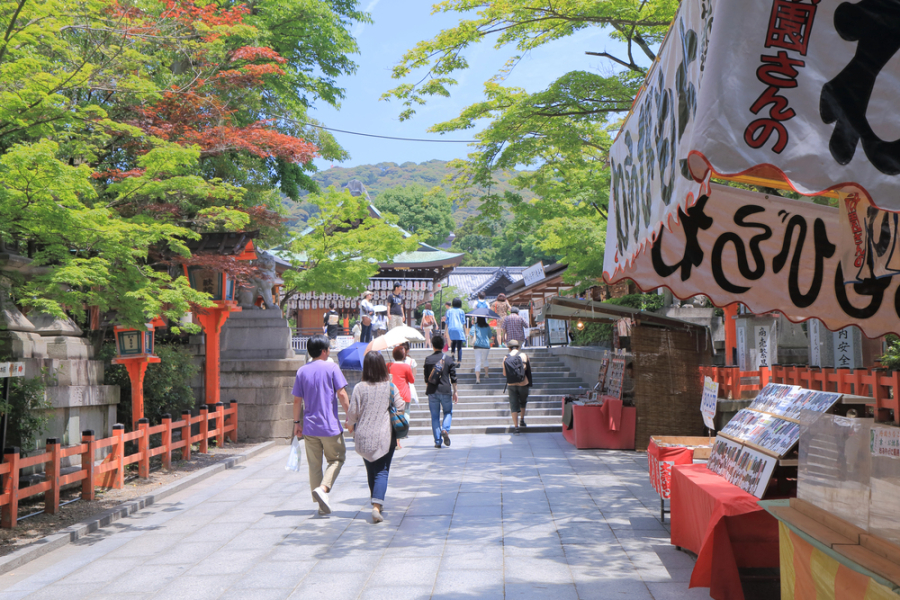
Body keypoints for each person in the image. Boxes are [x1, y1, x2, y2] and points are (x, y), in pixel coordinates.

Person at [292, 335, 349, 515]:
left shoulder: (301, 371)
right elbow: (342, 394)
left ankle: (320, 506)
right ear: (324, 351)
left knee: (314, 466)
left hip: (309, 427)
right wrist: (350, 417)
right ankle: (323, 489)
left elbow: (296, 401)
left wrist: (296, 423)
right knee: (337, 459)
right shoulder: (332, 368)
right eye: (329, 349)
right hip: (329, 426)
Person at [345, 352, 405, 524]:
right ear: (381, 367)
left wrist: (350, 423)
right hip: (384, 436)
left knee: (371, 468)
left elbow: (353, 414)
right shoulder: (389, 387)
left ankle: (376, 501)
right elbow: (401, 405)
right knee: (382, 470)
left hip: (362, 436)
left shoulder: (358, 388)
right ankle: (377, 506)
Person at [424, 334, 458, 448]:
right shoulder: (448, 359)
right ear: (443, 346)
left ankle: (437, 442)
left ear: (433, 346)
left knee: (434, 417)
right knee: (448, 412)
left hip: (432, 391)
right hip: (445, 390)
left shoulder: (428, 359)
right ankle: (445, 429)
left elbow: (426, 379)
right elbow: (453, 377)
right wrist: (455, 392)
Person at [502, 339, 533, 434]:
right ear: (518, 347)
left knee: (513, 405)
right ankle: (522, 420)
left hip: (511, 384)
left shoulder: (506, 357)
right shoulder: (524, 355)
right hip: (523, 383)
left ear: (509, 348)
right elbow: (527, 370)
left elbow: (504, 374)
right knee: (522, 402)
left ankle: (516, 427)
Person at [388, 345, 415, 450]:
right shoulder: (406, 367)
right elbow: (412, 380)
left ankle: (395, 440)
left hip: (392, 394)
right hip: (404, 394)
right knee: (402, 417)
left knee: (392, 418)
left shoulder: (389, 365)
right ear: (404, 355)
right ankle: (398, 440)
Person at [446, 297, 467, 364]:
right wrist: (466, 332)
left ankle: (452, 354)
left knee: (453, 341)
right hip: (459, 328)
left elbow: (447, 321)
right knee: (459, 346)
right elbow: (463, 322)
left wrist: (446, 330)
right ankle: (459, 361)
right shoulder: (461, 311)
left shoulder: (449, 311)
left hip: (451, 328)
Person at [473, 316, 492, 384]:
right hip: (486, 345)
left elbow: (471, 334)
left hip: (477, 345)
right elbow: (490, 335)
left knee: (478, 362)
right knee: (485, 359)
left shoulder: (475, 326)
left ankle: (478, 379)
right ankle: (486, 374)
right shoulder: (487, 326)